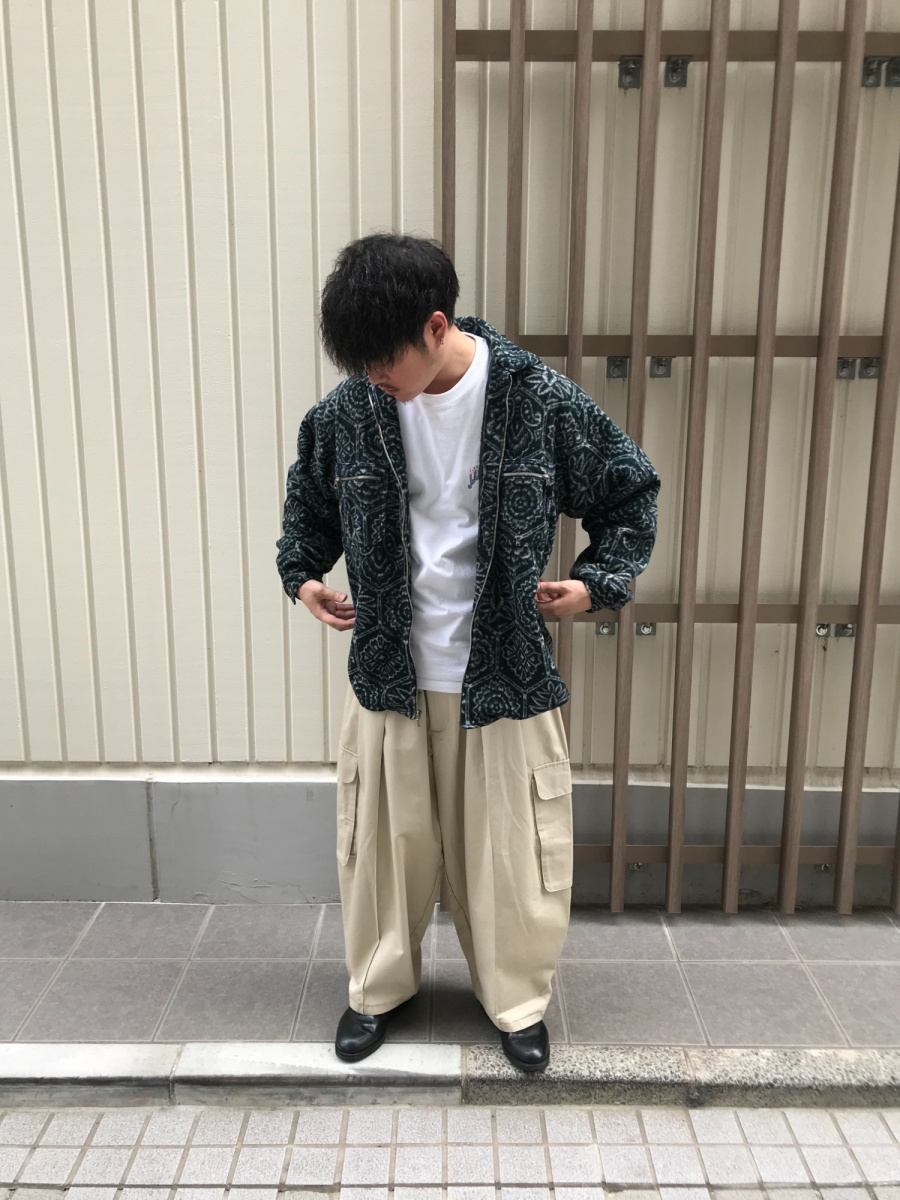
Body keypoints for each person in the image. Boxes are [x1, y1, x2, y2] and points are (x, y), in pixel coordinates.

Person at [276, 232, 661, 1072]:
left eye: (383, 359)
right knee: (381, 854)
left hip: (505, 673)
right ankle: (378, 991)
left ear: (436, 326)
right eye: (358, 363)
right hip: (389, 673)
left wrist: (595, 583)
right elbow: (306, 505)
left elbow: (631, 491)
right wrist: (302, 578)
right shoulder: (350, 412)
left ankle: (517, 1002)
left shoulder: (538, 398)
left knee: (512, 858)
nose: (372, 377)